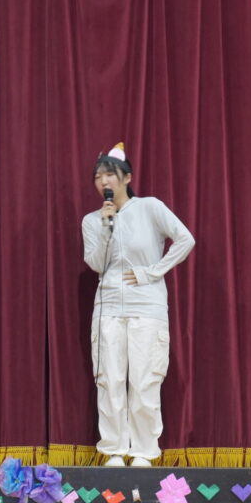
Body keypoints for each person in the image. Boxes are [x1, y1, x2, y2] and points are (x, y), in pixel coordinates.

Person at [81, 143, 195, 467]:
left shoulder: (150, 207)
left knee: (145, 379)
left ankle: (144, 450)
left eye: (110, 174)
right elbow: (96, 264)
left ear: (127, 178)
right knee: (110, 379)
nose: (104, 181)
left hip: (147, 306)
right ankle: (115, 449)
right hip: (108, 308)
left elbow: (185, 239)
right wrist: (106, 227)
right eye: (98, 177)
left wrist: (152, 272)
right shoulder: (92, 220)